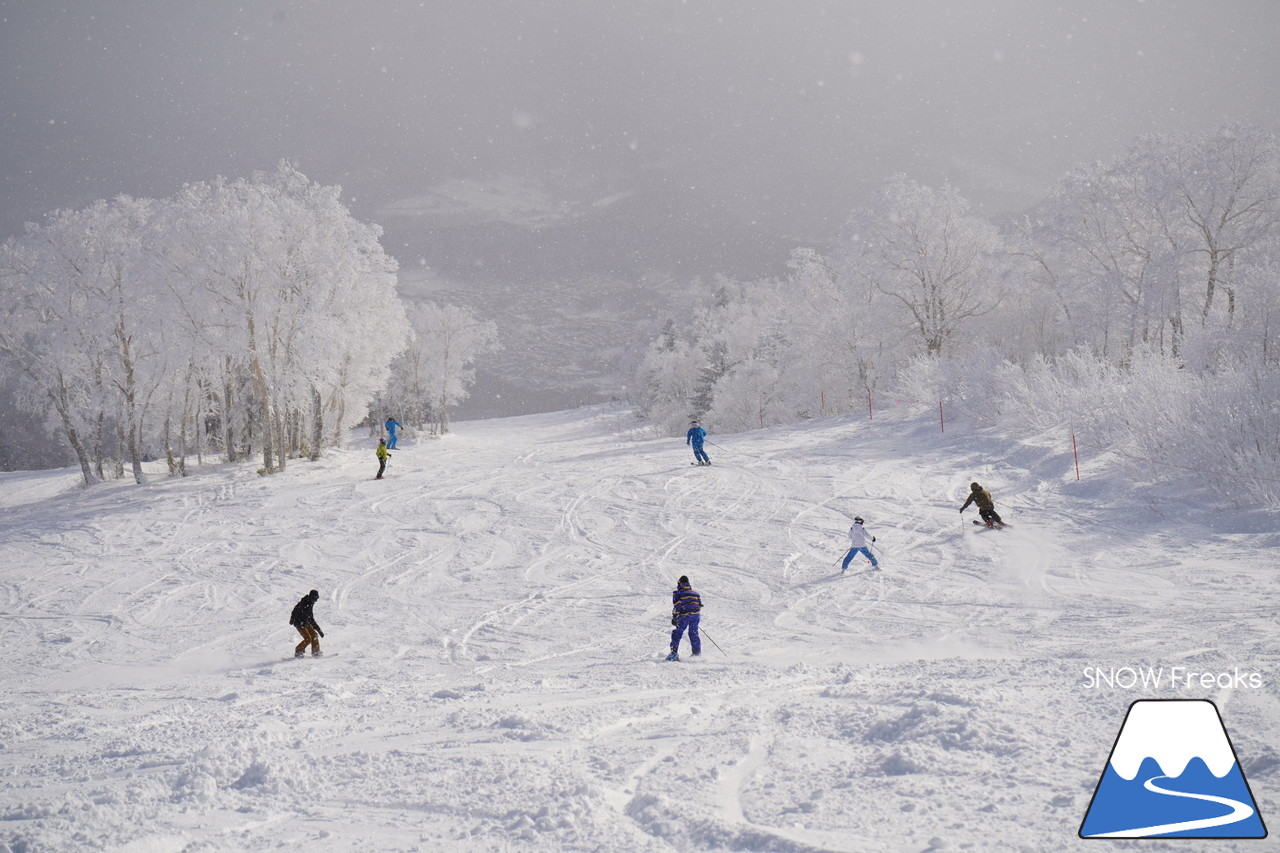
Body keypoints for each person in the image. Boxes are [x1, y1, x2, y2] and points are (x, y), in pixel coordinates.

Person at [667, 575, 703, 660]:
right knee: (693, 633)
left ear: (679, 583)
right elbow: (699, 604)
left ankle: (674, 653)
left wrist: (675, 617)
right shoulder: (696, 593)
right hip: (696, 615)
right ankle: (696, 654)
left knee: (677, 633)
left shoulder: (677, 593)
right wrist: (693, 614)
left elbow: (677, 606)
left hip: (684, 616)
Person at [289, 589, 324, 657]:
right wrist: (293, 620)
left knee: (314, 635)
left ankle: (316, 652)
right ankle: (298, 651)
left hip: (305, 622)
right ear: (312, 597)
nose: (316, 600)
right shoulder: (305, 603)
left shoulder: (309, 602)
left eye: (317, 598)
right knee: (308, 639)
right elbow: (309, 618)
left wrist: (318, 630)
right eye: (315, 598)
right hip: (299, 623)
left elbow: (296, 609)